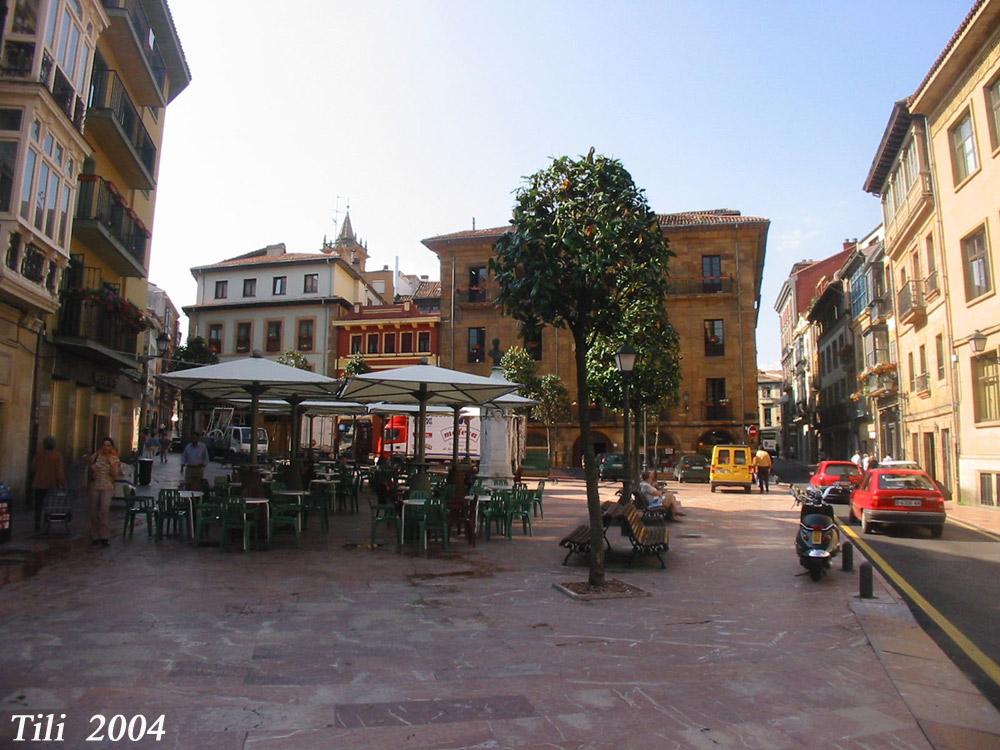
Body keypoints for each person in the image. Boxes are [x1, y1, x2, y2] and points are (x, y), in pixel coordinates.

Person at [87, 437, 121, 547]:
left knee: (104, 511)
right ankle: (94, 535)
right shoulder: (96, 456)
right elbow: (89, 466)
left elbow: (115, 475)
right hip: (95, 485)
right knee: (93, 512)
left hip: (107, 486)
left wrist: (111, 464)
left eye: (108, 445)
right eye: (104, 445)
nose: (106, 447)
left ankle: (104, 536)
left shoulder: (114, 458)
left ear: (111, 446)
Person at [30, 436, 65, 532]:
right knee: (49, 505)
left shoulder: (39, 454)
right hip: (51, 484)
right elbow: (59, 472)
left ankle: (37, 522)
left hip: (39, 483)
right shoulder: (57, 456)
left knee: (38, 505)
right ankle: (46, 523)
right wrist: (62, 483)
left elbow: (33, 467)